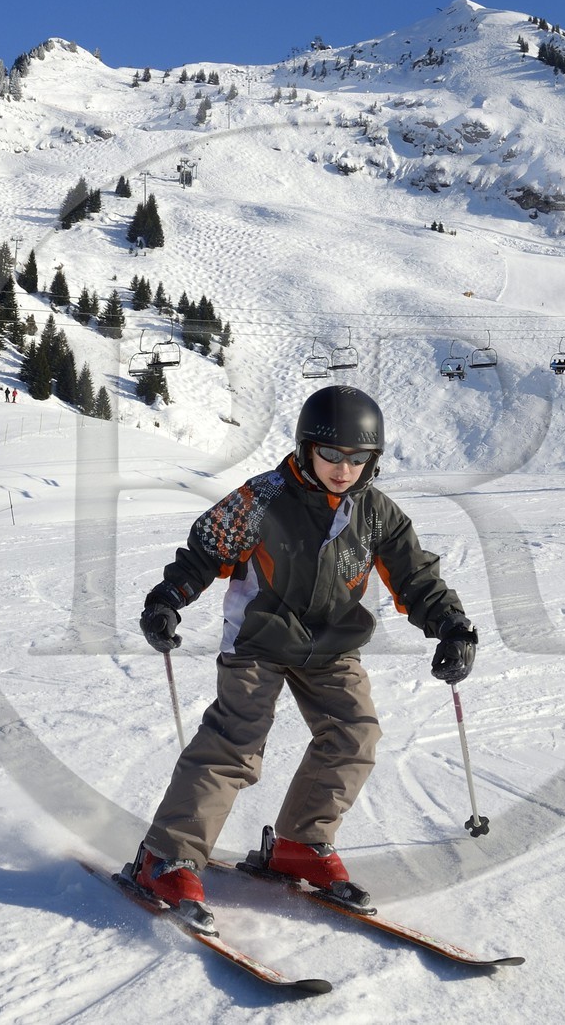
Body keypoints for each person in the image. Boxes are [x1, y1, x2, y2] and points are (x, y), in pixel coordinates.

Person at [130, 385, 477, 924]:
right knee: (235, 742)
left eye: (359, 459)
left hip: (333, 641)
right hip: (259, 637)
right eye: (332, 455)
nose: (344, 469)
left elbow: (416, 576)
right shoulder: (263, 497)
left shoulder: (377, 514)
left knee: (354, 735)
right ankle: (165, 856)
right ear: (305, 448)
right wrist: (168, 600)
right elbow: (205, 552)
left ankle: (299, 843)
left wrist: (452, 626)